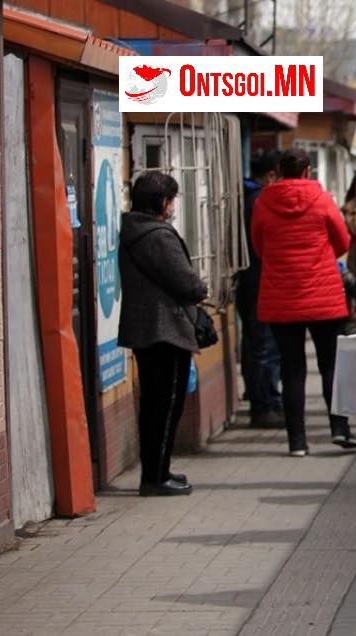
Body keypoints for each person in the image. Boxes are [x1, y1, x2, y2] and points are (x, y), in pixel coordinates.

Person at [251, 148, 356, 456]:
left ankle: (297, 442)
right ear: (307, 170)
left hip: (281, 297)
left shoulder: (263, 202)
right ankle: (340, 429)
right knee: (329, 365)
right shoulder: (322, 199)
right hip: (323, 295)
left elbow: (258, 244)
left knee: (292, 369)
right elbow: (342, 240)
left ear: (280, 171)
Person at [119, 171, 208, 496]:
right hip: (164, 329)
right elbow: (184, 280)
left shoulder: (135, 230)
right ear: (161, 202)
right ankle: (156, 477)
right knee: (166, 404)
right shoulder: (157, 236)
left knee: (157, 404)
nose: (172, 206)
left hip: (148, 328)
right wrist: (201, 288)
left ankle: (159, 470)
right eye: (171, 199)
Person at [236, 151, 284, 428]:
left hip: (253, 282)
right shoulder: (258, 201)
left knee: (260, 346)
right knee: (264, 347)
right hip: (260, 282)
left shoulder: (250, 197)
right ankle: (264, 405)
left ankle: (267, 401)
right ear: (271, 176)